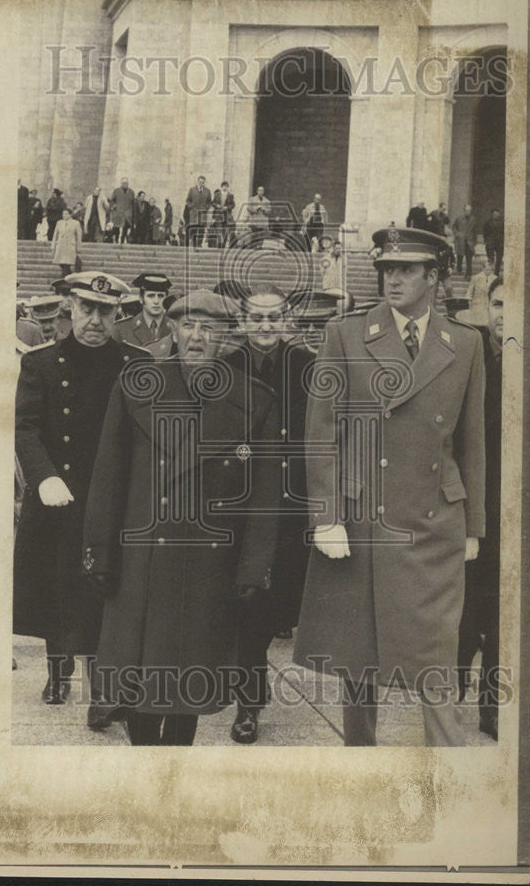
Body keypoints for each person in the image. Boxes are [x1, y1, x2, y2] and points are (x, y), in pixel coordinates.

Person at [293, 226, 486, 746]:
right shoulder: (346, 334)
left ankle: (447, 763)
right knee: (359, 654)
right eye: (386, 270)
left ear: (433, 277)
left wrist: (475, 525)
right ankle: (361, 757)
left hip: (435, 520)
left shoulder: (465, 342)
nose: (393, 280)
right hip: (363, 516)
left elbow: (472, 442)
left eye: (406, 271)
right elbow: (322, 431)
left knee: (436, 651)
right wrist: (327, 515)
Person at [82, 290, 279, 745]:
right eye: (189, 325)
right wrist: (99, 552)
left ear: (225, 338)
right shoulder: (136, 385)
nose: (197, 337)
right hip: (141, 562)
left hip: (209, 568)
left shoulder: (254, 400)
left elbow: (265, 496)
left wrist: (254, 566)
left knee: (188, 690)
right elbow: (108, 477)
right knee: (139, 686)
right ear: (172, 329)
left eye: (209, 329)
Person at [14, 272, 146, 707]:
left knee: (104, 591)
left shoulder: (137, 363)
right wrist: (44, 476)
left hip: (114, 496)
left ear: (118, 313)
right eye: (86, 309)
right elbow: (26, 427)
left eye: (105, 312)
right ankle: (57, 670)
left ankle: (102, 688)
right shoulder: (41, 362)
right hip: (59, 494)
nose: (95, 320)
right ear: (70, 306)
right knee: (57, 589)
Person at [227, 284, 314, 744]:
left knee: (279, 606)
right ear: (242, 322)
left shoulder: (308, 367)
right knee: (249, 613)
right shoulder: (224, 368)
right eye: (256, 318)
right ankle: (248, 705)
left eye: (273, 317)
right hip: (242, 509)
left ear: (287, 322)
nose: (265, 326)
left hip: (293, 507)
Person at [458, 276, 503, 740]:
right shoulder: (471, 357)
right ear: (486, 307)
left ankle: (490, 706)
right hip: (472, 503)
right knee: (465, 609)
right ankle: (453, 687)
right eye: (498, 303)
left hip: (512, 509)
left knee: (501, 617)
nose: (506, 314)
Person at [113, 273, 173, 347]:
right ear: (141, 299)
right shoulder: (122, 329)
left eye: (160, 296)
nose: (156, 301)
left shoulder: (175, 327)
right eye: (151, 296)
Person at [51, 209, 83, 277]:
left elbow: (79, 236)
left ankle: (64, 276)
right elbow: (55, 235)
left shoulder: (76, 223)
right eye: (63, 214)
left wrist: (79, 247)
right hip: (61, 245)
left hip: (70, 245)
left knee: (67, 262)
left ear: (70, 215)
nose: (64, 216)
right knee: (60, 262)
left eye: (66, 214)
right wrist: (53, 246)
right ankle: (68, 273)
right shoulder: (59, 223)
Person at [184, 175, 212, 248]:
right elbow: (188, 200)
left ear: (204, 183)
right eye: (200, 182)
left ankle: (199, 244)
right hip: (194, 213)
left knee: (201, 229)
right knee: (193, 229)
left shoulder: (207, 191)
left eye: (203, 182)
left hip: (202, 214)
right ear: (197, 182)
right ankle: (193, 244)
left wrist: (206, 208)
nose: (201, 183)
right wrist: (191, 206)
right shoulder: (192, 190)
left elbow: (209, 202)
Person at [109, 177, 135, 244]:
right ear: (121, 183)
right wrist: (114, 206)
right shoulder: (116, 191)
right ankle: (116, 240)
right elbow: (111, 201)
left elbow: (133, 202)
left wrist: (131, 211)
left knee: (126, 228)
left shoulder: (131, 192)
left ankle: (124, 241)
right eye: (123, 183)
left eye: (126, 183)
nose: (125, 184)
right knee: (117, 227)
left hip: (128, 214)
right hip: (118, 213)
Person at [210, 181, 235, 248]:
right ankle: (219, 243)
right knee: (219, 229)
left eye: (226, 186)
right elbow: (212, 203)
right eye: (223, 186)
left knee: (225, 230)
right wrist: (217, 205)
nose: (225, 188)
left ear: (228, 187)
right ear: (221, 187)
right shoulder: (217, 194)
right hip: (218, 215)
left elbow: (233, 205)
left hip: (226, 215)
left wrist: (227, 207)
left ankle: (223, 243)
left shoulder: (230, 195)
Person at [453, 204, 476, 276]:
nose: (468, 212)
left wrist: (474, 241)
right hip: (461, 240)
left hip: (469, 241)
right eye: (467, 210)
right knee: (460, 256)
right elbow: (454, 227)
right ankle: (459, 269)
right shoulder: (459, 218)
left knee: (469, 258)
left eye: (469, 211)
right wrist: (457, 234)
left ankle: (468, 274)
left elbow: (475, 230)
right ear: (464, 211)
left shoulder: (473, 219)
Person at [483, 208, 504, 276]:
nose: (496, 215)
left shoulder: (502, 223)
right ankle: (490, 273)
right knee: (491, 258)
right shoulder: (488, 222)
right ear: (492, 214)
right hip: (490, 243)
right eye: (494, 214)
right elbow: (485, 233)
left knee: (499, 259)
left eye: (497, 214)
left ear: (499, 214)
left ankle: (496, 273)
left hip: (499, 243)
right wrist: (487, 241)